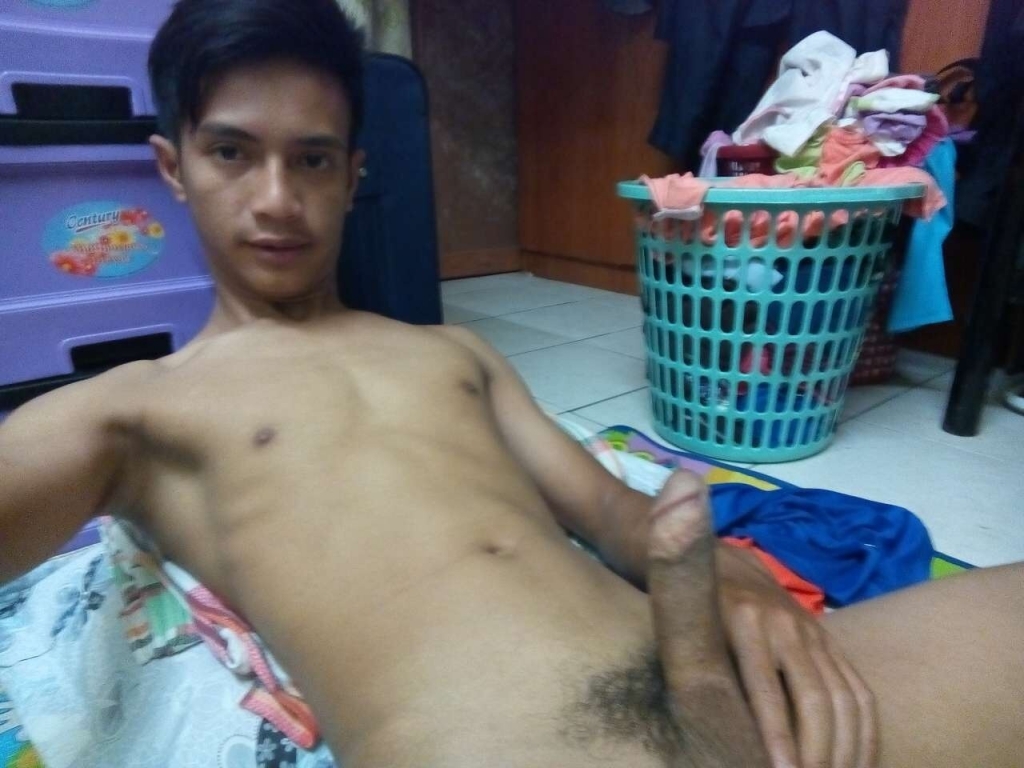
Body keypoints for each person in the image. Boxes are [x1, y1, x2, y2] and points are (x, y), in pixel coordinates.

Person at [0, 1, 1021, 766]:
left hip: (739, 699)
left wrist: (739, 583)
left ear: (353, 176)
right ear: (171, 168)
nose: (276, 199)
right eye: (232, 152)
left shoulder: (454, 355)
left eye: (311, 160)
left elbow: (611, 514)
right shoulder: (135, 408)